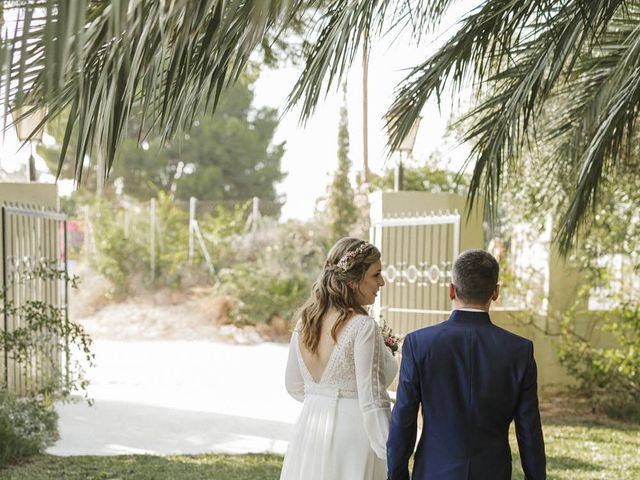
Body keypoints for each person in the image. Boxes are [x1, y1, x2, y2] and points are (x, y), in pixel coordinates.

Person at [387, 249, 546, 480]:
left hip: (433, 471)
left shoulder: (419, 344)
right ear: (496, 292)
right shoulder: (519, 350)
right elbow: (529, 430)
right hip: (493, 472)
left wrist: (397, 475)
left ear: (452, 290)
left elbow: (404, 418)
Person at [280, 237, 399, 480]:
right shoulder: (362, 326)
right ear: (354, 281)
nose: (382, 282)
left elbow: (293, 386)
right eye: (376, 275)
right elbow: (372, 399)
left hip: (311, 430)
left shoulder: (305, 323)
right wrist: (391, 454)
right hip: (354, 435)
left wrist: (323, 401)